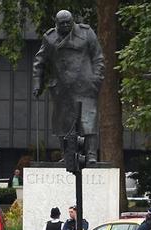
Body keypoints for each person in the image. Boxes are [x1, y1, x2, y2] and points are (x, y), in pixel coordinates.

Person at [32, 9, 104, 163]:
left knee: (88, 120)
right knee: (63, 122)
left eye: (68, 22)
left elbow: (98, 57)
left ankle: (91, 154)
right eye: (61, 23)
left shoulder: (86, 33)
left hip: (85, 85)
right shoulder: (50, 38)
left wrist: (96, 79)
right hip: (62, 88)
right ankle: (67, 155)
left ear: (73, 21)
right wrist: (37, 84)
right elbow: (39, 62)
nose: (65, 25)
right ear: (56, 24)